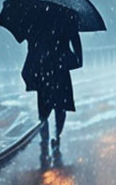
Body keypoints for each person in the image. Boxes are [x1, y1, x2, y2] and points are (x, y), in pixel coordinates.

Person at [22, 21, 82, 153]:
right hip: (60, 67)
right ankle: (56, 135)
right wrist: (77, 59)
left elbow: (31, 45)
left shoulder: (37, 19)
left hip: (44, 68)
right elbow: (75, 40)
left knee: (44, 106)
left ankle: (45, 137)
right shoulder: (66, 18)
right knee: (60, 106)